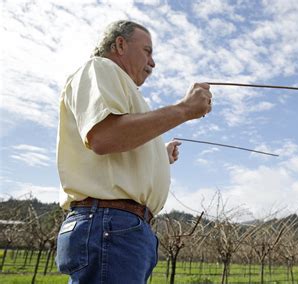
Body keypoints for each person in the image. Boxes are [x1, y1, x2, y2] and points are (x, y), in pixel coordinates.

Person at [55, 20, 212, 283]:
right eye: (147, 51)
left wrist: (159, 155)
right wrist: (183, 110)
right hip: (110, 225)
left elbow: (117, 144)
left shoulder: (124, 90)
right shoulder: (100, 68)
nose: (153, 62)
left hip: (120, 228)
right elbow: (105, 136)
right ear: (120, 44)